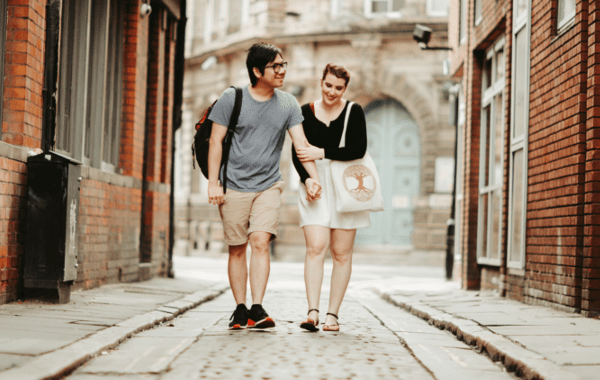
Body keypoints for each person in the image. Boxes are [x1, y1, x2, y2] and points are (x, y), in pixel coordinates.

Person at [208, 43, 322, 330]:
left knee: (260, 242)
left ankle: (257, 307)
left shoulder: (288, 103)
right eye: (276, 66)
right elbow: (214, 141)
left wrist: (313, 177)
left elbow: (301, 144)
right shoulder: (230, 99)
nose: (282, 70)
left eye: (284, 65)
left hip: (269, 185)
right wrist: (213, 182)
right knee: (237, 248)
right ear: (258, 71)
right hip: (233, 186)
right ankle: (240, 308)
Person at [292, 63, 369, 332]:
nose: (332, 92)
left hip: (346, 186)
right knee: (315, 246)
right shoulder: (304, 112)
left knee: (341, 253)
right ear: (320, 82)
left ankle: (332, 315)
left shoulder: (354, 111)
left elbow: (358, 149)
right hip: (315, 186)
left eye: (338, 88)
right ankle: (312, 312)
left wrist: (321, 153)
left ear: (345, 89)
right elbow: (297, 152)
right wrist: (308, 178)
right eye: (328, 85)